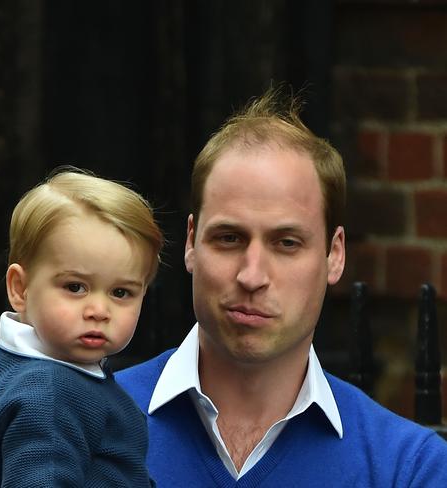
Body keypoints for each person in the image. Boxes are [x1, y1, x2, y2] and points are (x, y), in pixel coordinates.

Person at [116, 88, 447, 487]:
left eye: (287, 243)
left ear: (334, 255)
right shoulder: (84, 421)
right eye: (229, 238)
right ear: (190, 242)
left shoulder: (408, 469)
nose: (252, 276)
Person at [0, 167, 162, 487]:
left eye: (121, 292)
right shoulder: (52, 394)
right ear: (20, 289)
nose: (99, 310)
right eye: (75, 287)